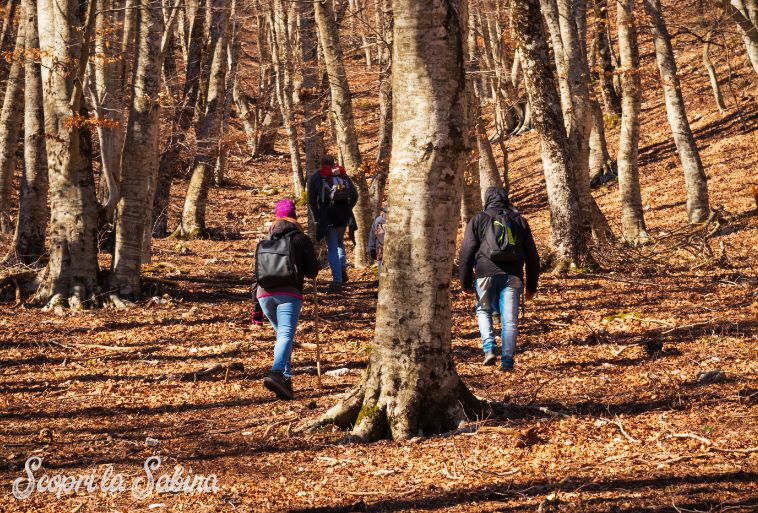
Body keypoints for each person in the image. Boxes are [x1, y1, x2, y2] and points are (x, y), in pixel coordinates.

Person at [458, 187, 540, 371]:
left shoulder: (478, 219)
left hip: (484, 273)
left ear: (486, 199)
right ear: (506, 199)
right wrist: (532, 287)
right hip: (513, 276)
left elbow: (466, 252)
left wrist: (465, 281)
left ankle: (489, 348)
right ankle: (507, 361)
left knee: (483, 311)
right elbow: (533, 257)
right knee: (509, 321)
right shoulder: (519, 220)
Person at [252, 199, 318, 400]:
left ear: (276, 216)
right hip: (289, 294)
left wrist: (256, 308)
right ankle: (276, 372)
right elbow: (312, 271)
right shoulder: (300, 238)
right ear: (294, 216)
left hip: (264, 294)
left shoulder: (265, 240)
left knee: (282, 336)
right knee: (286, 335)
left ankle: (286, 381)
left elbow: (256, 275)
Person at [307, 156, 358, 291]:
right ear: (334, 163)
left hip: (328, 217)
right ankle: (342, 271)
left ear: (322, 164)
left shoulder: (316, 177)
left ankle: (337, 280)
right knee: (340, 243)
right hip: (344, 216)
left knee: (332, 247)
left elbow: (311, 201)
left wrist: (317, 217)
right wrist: (348, 208)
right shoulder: (342, 174)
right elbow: (354, 195)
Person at [368, 207, 387, 276]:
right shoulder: (379, 221)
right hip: (381, 249)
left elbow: (373, 235)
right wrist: (371, 248)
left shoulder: (379, 220)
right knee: (381, 271)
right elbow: (373, 235)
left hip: (385, 249)